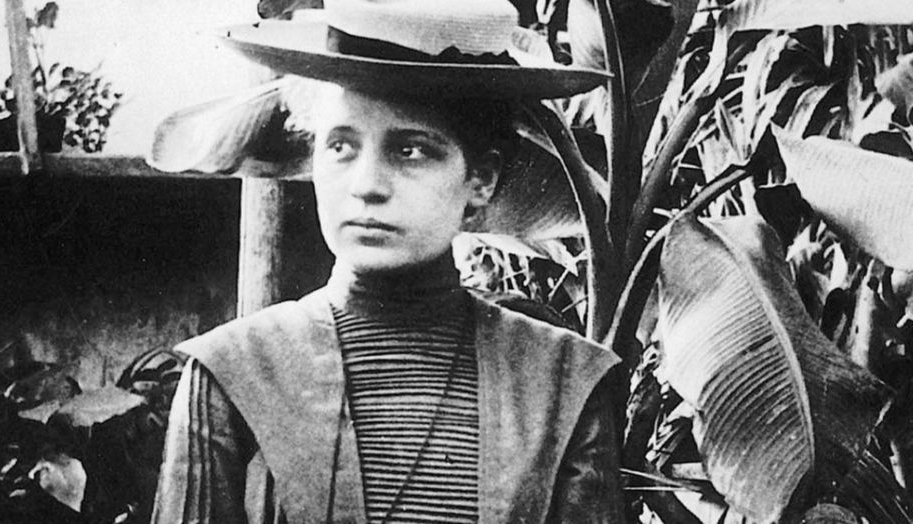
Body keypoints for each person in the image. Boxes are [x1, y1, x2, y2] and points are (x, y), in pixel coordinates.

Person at [150, 0, 623, 522]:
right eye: (341, 147)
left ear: (481, 180)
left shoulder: (561, 382)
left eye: (411, 150)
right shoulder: (232, 373)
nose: (367, 186)